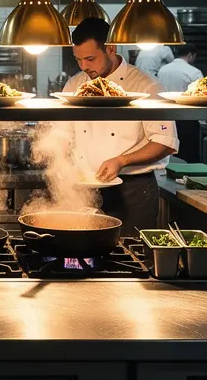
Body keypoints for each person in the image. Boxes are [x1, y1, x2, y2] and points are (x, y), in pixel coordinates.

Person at [56, 18, 179, 236]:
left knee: (131, 259)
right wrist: (61, 163)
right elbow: (61, 135)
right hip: (85, 188)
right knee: (84, 253)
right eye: (78, 60)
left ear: (110, 48)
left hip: (133, 191)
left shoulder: (146, 85)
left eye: (90, 59)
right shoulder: (74, 85)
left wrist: (122, 160)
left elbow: (165, 143)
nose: (84, 67)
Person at [158, 44, 204, 163]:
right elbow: (202, 97)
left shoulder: (162, 70)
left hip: (165, 117)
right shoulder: (194, 72)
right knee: (188, 157)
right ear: (190, 55)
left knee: (169, 156)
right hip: (187, 120)